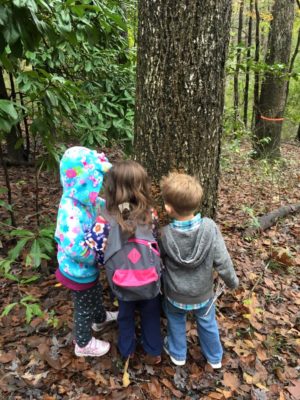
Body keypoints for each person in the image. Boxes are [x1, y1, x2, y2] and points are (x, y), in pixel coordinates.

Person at [85, 160, 162, 364]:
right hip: (149, 278)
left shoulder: (104, 220)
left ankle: (127, 351)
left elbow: (96, 249)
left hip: (122, 280)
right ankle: (153, 351)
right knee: (151, 314)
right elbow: (155, 241)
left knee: (125, 316)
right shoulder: (150, 215)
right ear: (142, 187)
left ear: (112, 188)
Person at [159, 172, 239, 369]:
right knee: (207, 323)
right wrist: (232, 282)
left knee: (176, 321)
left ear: (168, 208)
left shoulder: (164, 234)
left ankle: (178, 355)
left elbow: (158, 263)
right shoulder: (210, 228)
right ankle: (215, 357)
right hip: (203, 294)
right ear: (197, 204)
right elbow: (223, 260)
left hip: (175, 295)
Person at [55, 146, 118, 357]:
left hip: (87, 270)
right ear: (81, 183)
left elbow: (100, 204)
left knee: (95, 292)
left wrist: (115, 206)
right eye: (93, 184)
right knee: (83, 308)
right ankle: (82, 344)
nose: (96, 191)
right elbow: (73, 248)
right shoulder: (70, 211)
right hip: (77, 271)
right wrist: (96, 257)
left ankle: (100, 319)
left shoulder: (84, 200)